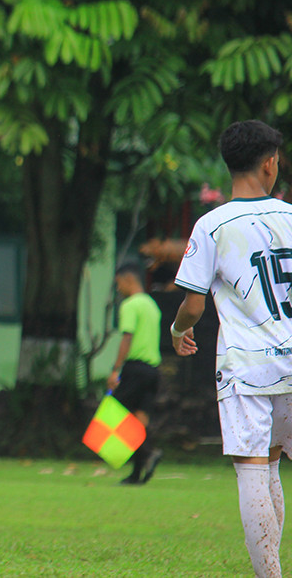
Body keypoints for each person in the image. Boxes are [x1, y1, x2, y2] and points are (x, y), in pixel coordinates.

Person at [170, 120, 292, 578]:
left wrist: (177, 329)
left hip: (247, 368)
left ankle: (270, 574)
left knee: (253, 469)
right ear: (268, 163)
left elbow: (194, 303)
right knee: (275, 461)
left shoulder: (212, 224)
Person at [107, 261, 164, 485]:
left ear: (128, 280)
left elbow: (127, 337)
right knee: (139, 420)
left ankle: (148, 453)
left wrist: (115, 370)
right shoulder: (151, 305)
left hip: (135, 368)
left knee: (116, 415)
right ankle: (136, 474)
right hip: (152, 370)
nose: (118, 289)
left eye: (119, 284)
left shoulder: (130, 305)